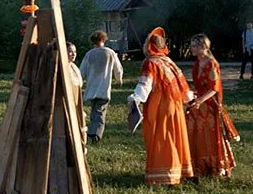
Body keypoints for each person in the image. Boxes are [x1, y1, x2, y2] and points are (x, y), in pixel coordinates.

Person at [129, 27, 194, 186]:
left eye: (146, 42)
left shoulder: (150, 63)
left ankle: (165, 175)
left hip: (159, 106)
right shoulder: (168, 61)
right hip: (176, 104)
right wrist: (190, 100)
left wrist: (135, 98)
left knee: (163, 139)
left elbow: (145, 85)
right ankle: (179, 171)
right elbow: (183, 86)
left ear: (150, 45)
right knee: (175, 136)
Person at [186, 34, 239, 178]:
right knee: (193, 130)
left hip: (210, 104)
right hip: (199, 102)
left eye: (194, 46)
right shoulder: (197, 64)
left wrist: (200, 100)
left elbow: (214, 88)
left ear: (203, 46)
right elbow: (198, 86)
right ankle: (197, 166)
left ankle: (216, 166)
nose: (191, 48)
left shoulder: (211, 64)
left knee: (210, 132)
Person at [79, 30, 123, 143]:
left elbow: (82, 71)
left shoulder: (89, 54)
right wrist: (119, 79)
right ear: (104, 39)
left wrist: (80, 80)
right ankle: (95, 135)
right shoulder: (110, 52)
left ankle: (91, 131)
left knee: (94, 111)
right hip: (103, 88)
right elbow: (117, 68)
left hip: (91, 88)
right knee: (100, 112)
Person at [67, 41, 88, 147]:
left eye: (74, 52)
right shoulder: (63, 67)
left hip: (77, 100)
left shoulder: (74, 67)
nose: (73, 54)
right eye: (70, 52)